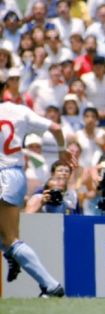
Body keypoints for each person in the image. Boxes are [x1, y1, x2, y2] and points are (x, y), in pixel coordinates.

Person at [0, 101, 75, 297]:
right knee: (7, 238)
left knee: (10, 239)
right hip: (16, 173)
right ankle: (13, 254)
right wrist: (61, 150)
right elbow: (56, 127)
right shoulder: (19, 110)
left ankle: (50, 286)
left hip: (2, 175)